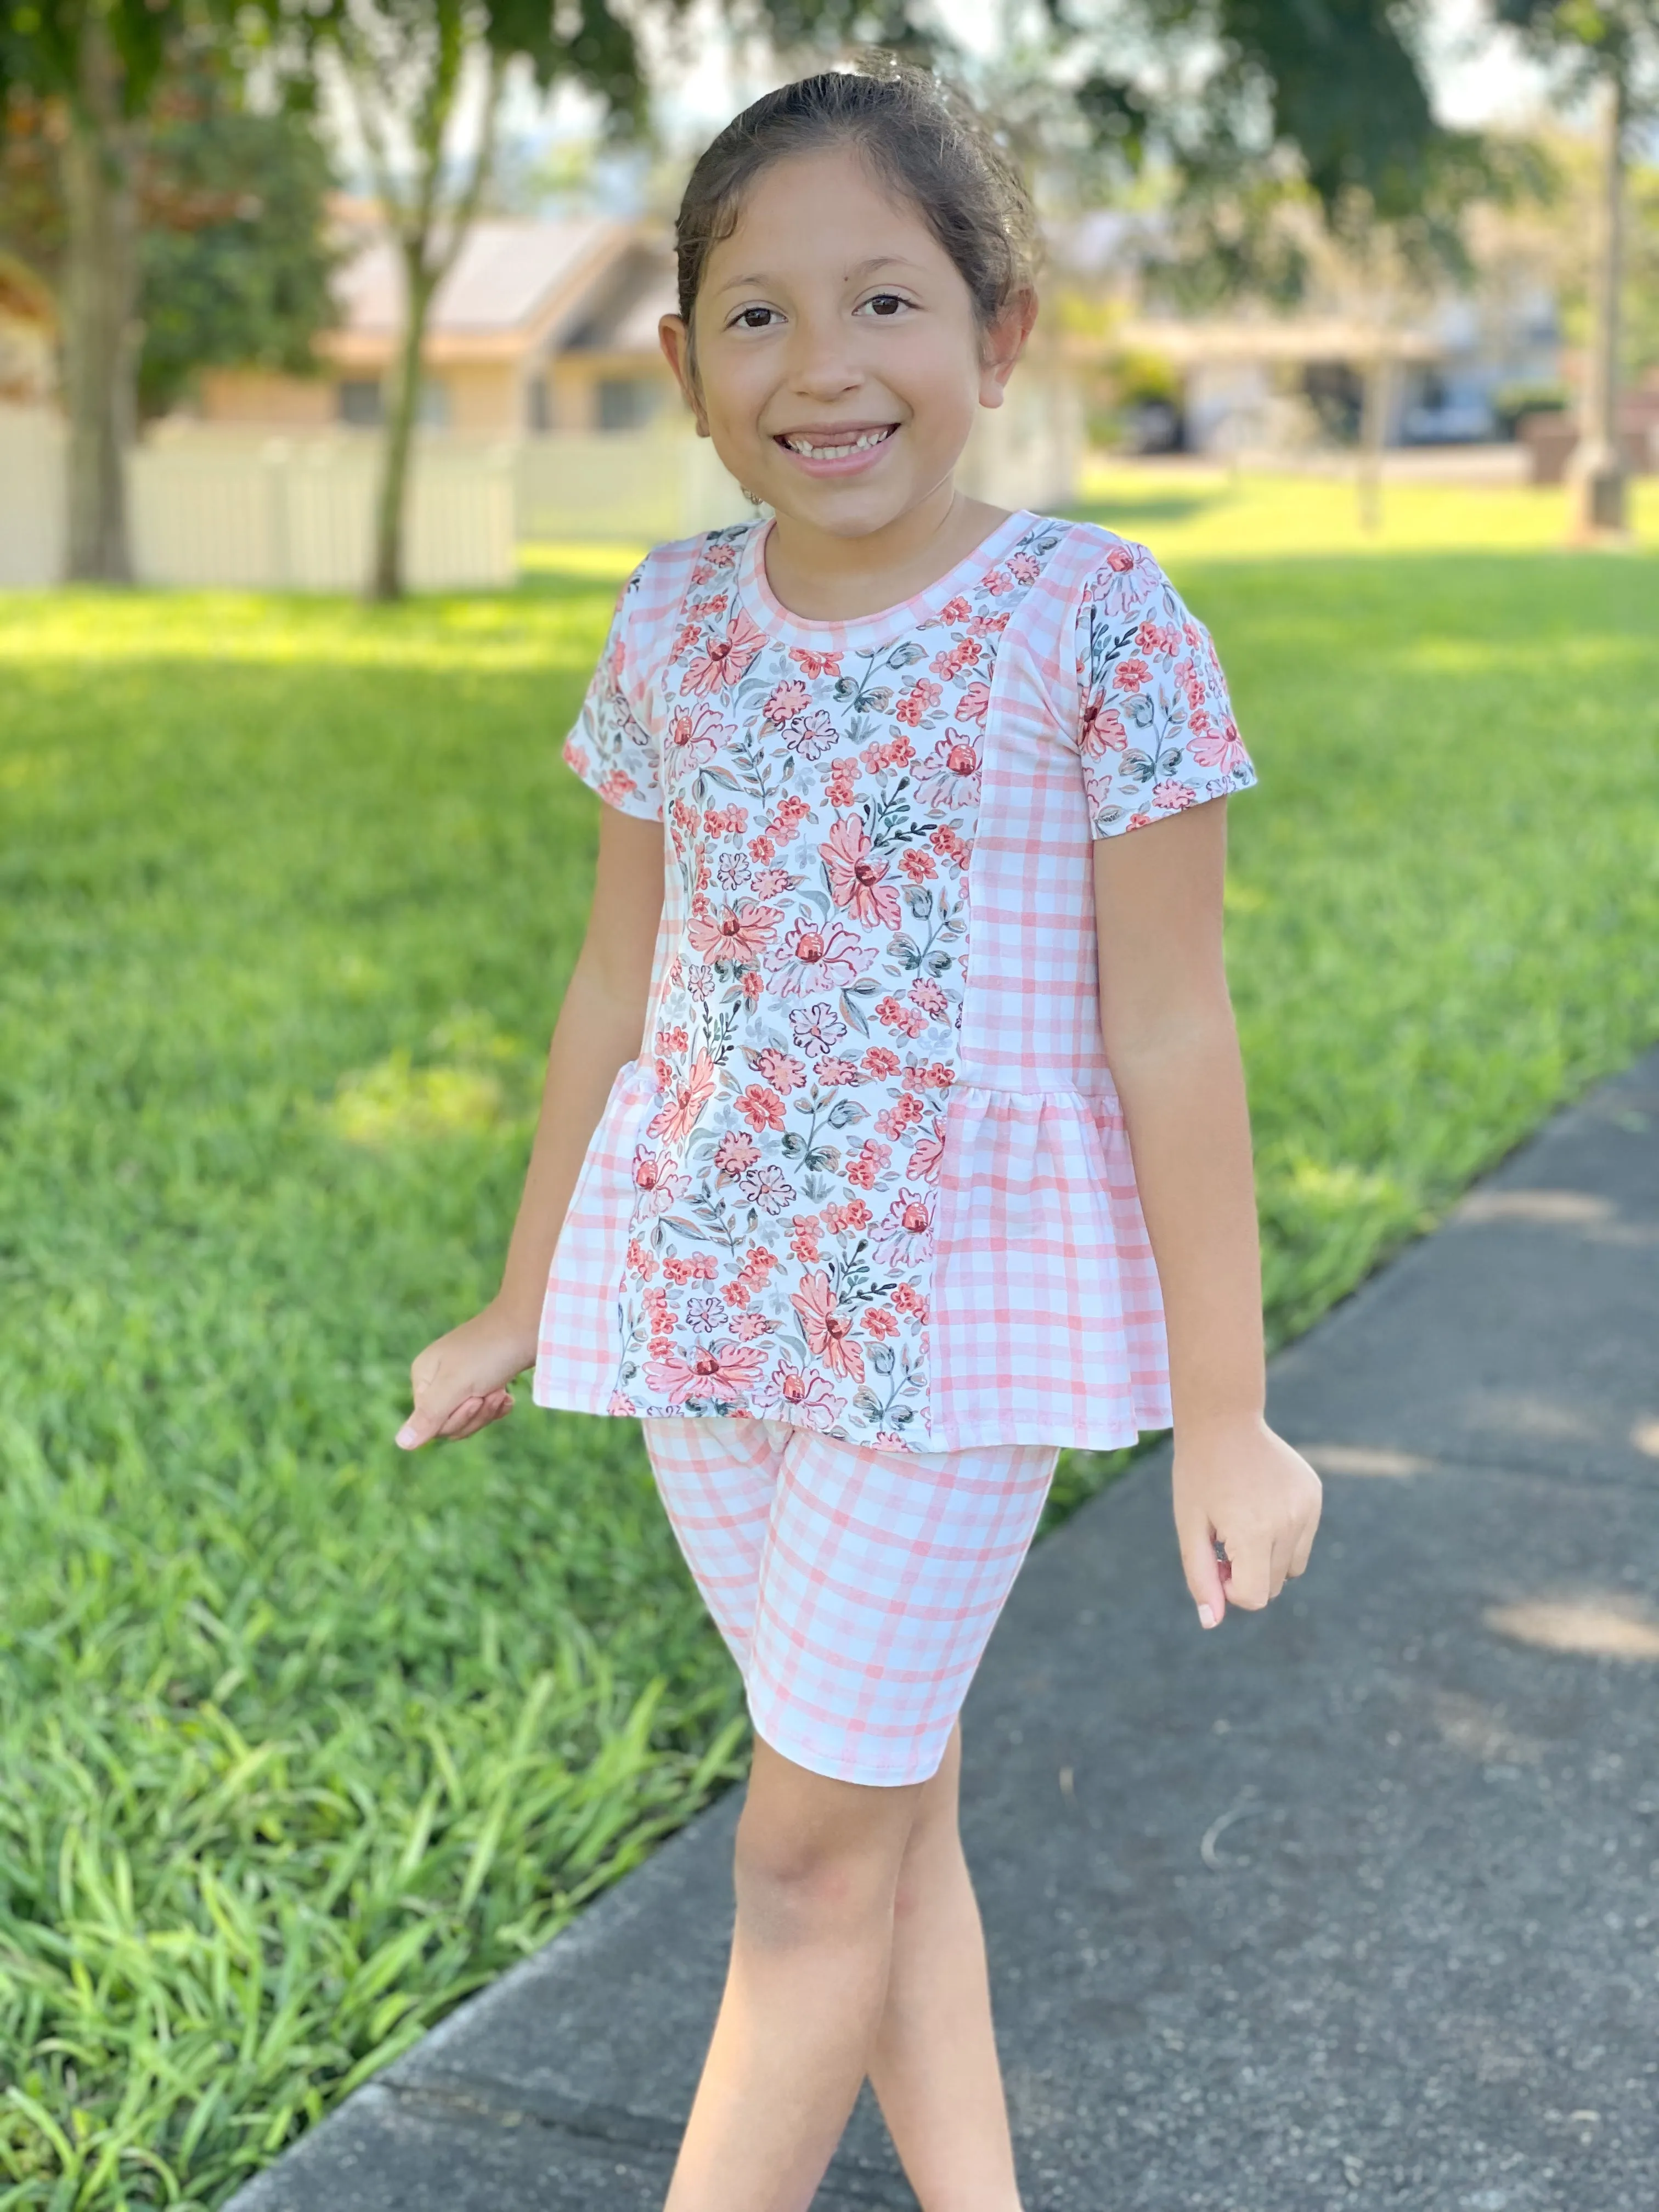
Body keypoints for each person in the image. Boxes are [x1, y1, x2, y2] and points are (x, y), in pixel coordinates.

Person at [396, 56, 1322, 2212]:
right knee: (882, 1819)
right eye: (759, 315)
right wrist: (529, 1294)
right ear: (683, 359)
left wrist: (1227, 1416)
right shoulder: (670, 622)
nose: (823, 368)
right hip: (708, 1306)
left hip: (952, 1328)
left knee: (803, 1861)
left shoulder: (1094, 622)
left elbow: (1175, 1033)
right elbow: (616, 989)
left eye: (888, 302)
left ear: (999, 332)